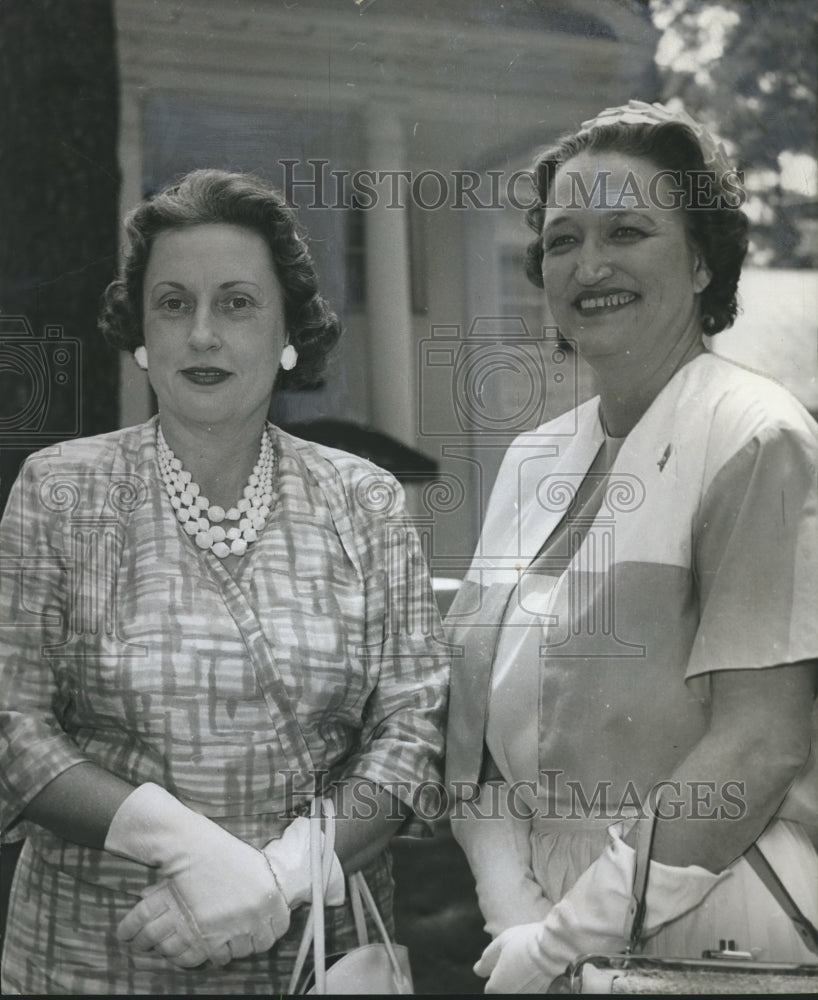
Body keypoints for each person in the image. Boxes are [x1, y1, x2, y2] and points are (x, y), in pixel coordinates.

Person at [0, 168, 449, 994]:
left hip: (314, 950)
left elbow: (412, 734)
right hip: (102, 953)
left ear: (289, 331)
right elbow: (13, 728)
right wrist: (179, 842)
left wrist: (277, 879)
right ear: (142, 331)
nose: (202, 333)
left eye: (236, 303)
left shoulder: (364, 500)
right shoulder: (61, 490)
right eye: (174, 304)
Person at [444, 100, 818, 993]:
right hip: (538, 932)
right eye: (563, 238)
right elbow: (475, 748)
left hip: (718, 925)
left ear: (698, 261)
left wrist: (569, 936)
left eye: (627, 231)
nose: (589, 263)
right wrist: (514, 915)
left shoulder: (755, 437)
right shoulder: (533, 458)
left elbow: (759, 747)